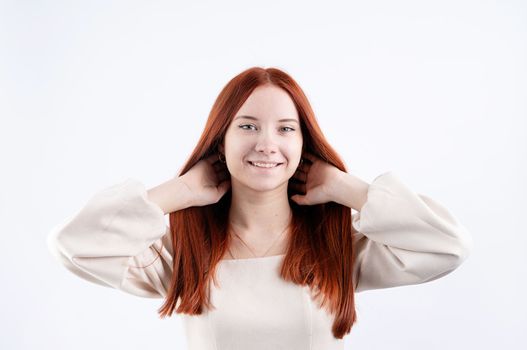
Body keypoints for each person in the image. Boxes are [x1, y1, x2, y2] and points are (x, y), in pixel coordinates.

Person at [47, 66, 473, 350]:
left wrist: (347, 187)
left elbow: (448, 246)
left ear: (303, 143)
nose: (267, 144)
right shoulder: (180, 251)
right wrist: (177, 192)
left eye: (286, 129)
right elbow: (73, 245)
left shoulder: (340, 244)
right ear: (222, 140)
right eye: (248, 126)